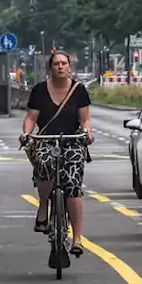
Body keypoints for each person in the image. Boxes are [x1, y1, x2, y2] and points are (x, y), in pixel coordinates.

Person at [21, 50, 94, 268]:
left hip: (72, 140)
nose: (60, 67)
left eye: (64, 63)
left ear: (69, 66)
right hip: (46, 139)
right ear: (50, 68)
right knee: (43, 165)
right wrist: (26, 134)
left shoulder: (79, 90)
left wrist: (87, 133)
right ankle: (43, 206)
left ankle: (77, 238)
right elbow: (30, 118)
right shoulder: (39, 90)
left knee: (73, 185)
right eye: (56, 64)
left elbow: (85, 119)